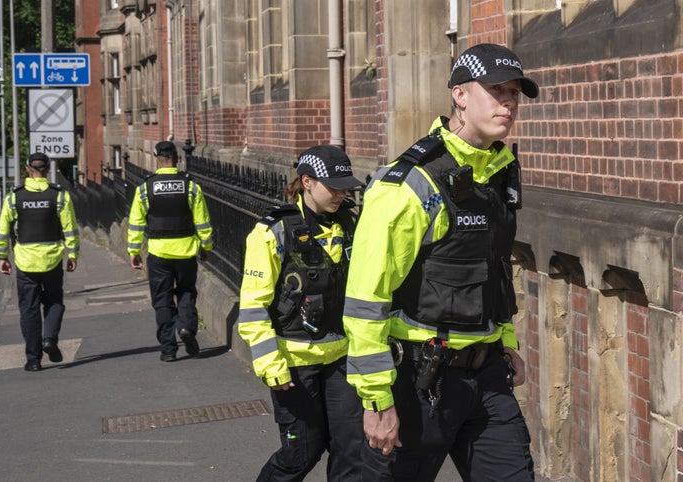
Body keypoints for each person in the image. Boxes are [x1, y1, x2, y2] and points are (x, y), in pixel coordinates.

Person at [342, 43, 538, 481]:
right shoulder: (410, 184)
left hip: (487, 377)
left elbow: (492, 271)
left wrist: (505, 341)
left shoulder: (497, 172)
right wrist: (376, 401)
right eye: (496, 90)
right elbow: (365, 301)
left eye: (514, 93)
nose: (508, 102)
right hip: (418, 381)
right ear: (460, 95)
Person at [238, 145, 366, 481]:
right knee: (300, 455)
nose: (341, 194)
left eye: (345, 187)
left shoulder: (351, 225)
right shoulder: (272, 232)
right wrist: (269, 364)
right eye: (333, 186)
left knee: (352, 449)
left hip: (343, 358)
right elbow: (252, 307)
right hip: (294, 365)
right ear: (306, 181)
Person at [127, 141, 213, 362]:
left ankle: (168, 349)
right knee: (186, 293)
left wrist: (134, 250)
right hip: (186, 252)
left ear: (157, 159)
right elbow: (202, 222)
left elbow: (136, 223)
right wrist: (206, 247)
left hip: (158, 254)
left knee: (162, 300)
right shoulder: (191, 186)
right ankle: (186, 328)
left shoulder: (145, 188)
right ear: (177, 158)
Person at [0, 152, 80, 372]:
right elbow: (70, 228)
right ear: (47, 170)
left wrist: (2, 257)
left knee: (29, 310)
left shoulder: (14, 197)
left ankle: (33, 360)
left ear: (27, 169)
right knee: (54, 303)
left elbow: (3, 231)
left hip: (25, 261)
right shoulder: (59, 195)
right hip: (52, 259)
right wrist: (72, 255)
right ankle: (49, 339)